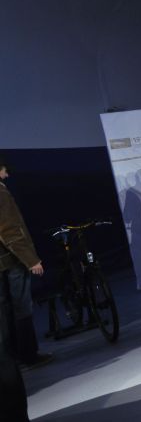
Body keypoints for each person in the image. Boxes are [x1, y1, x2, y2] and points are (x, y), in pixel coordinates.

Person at [0, 157, 52, 370]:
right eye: (4, 170)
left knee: (4, 312)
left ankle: (10, 359)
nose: (6, 175)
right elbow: (10, 230)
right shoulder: (1, 192)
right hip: (12, 261)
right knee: (21, 308)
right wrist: (31, 260)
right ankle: (28, 356)